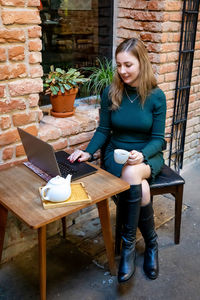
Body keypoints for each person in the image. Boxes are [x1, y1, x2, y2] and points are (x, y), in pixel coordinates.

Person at [68, 38, 166, 283]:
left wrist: (142, 154)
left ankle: (128, 248)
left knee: (134, 175)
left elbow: (158, 139)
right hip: (115, 154)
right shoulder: (111, 91)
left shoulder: (156, 97)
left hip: (147, 154)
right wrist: (89, 152)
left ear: (141, 64)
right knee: (141, 188)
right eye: (119, 65)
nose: (122, 71)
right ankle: (151, 245)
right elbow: (103, 130)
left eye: (128, 65)